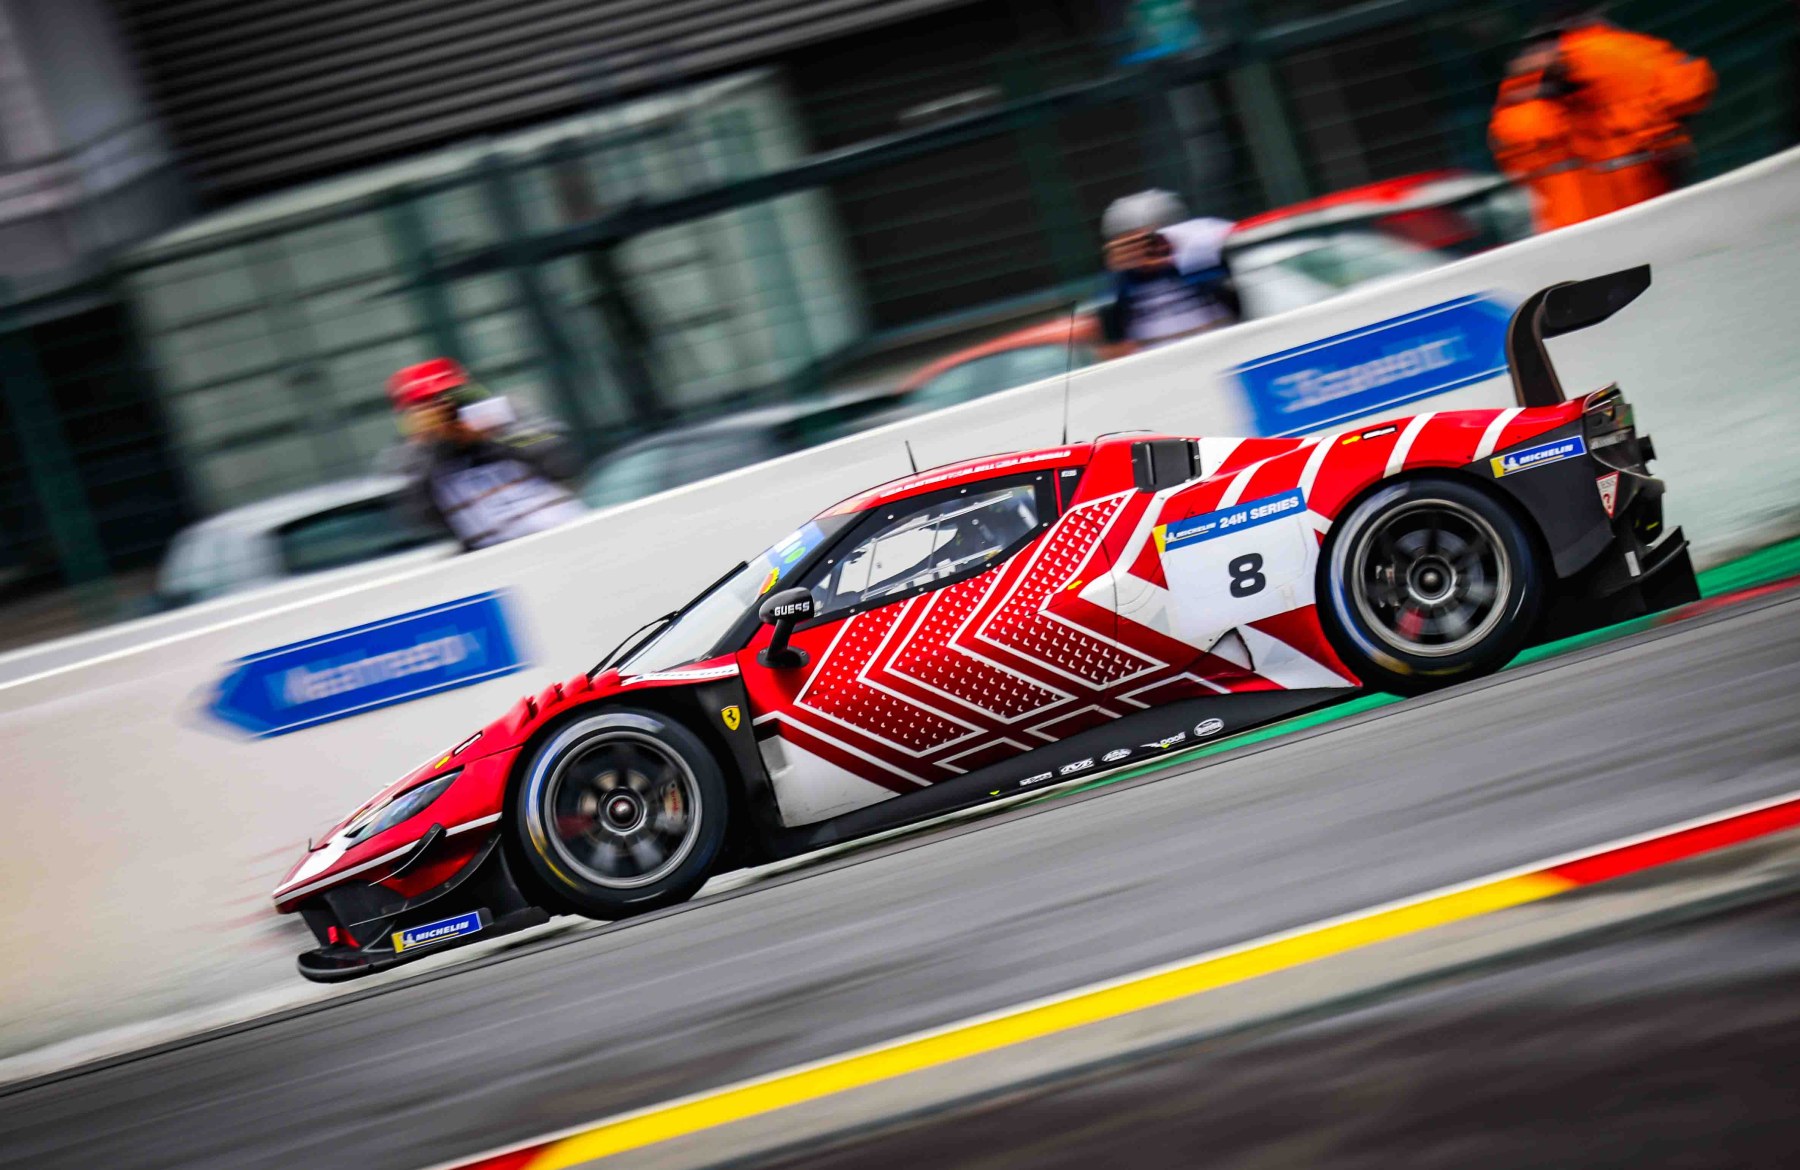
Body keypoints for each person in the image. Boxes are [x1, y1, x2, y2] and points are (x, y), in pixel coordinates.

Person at [1489, 2, 1714, 233]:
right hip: (1642, 213)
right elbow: (1690, 88)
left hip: (1582, 226)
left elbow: (1513, 147)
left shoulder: (1536, 72)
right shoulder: (1624, 49)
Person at [386, 358, 588, 551]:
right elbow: (422, 515)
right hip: (494, 555)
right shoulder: (416, 455)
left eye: (450, 398)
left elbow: (561, 460)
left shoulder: (505, 416)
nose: (444, 411)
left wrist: (495, 434)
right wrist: (430, 445)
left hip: (563, 533)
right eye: (428, 405)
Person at [1095, 189, 1238, 360]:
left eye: (1149, 241)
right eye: (1127, 245)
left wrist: (1177, 259)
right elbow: (1112, 344)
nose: (1139, 252)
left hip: (1221, 353)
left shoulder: (1206, 263)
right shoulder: (1121, 286)